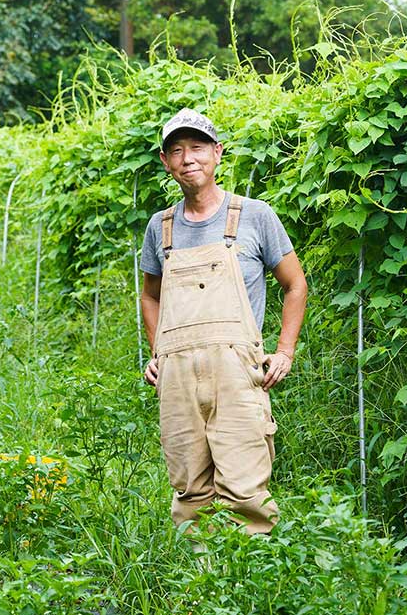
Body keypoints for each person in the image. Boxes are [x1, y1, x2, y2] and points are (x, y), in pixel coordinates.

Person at [141, 108, 307, 536]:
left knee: (245, 491)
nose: (187, 158)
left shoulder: (254, 216)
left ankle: (249, 584)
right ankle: (200, 588)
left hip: (238, 373)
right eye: (176, 151)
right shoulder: (160, 228)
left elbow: (295, 284)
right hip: (177, 379)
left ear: (217, 154)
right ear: (165, 162)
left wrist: (284, 351)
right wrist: (157, 352)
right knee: (190, 490)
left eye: (197, 148)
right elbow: (150, 295)